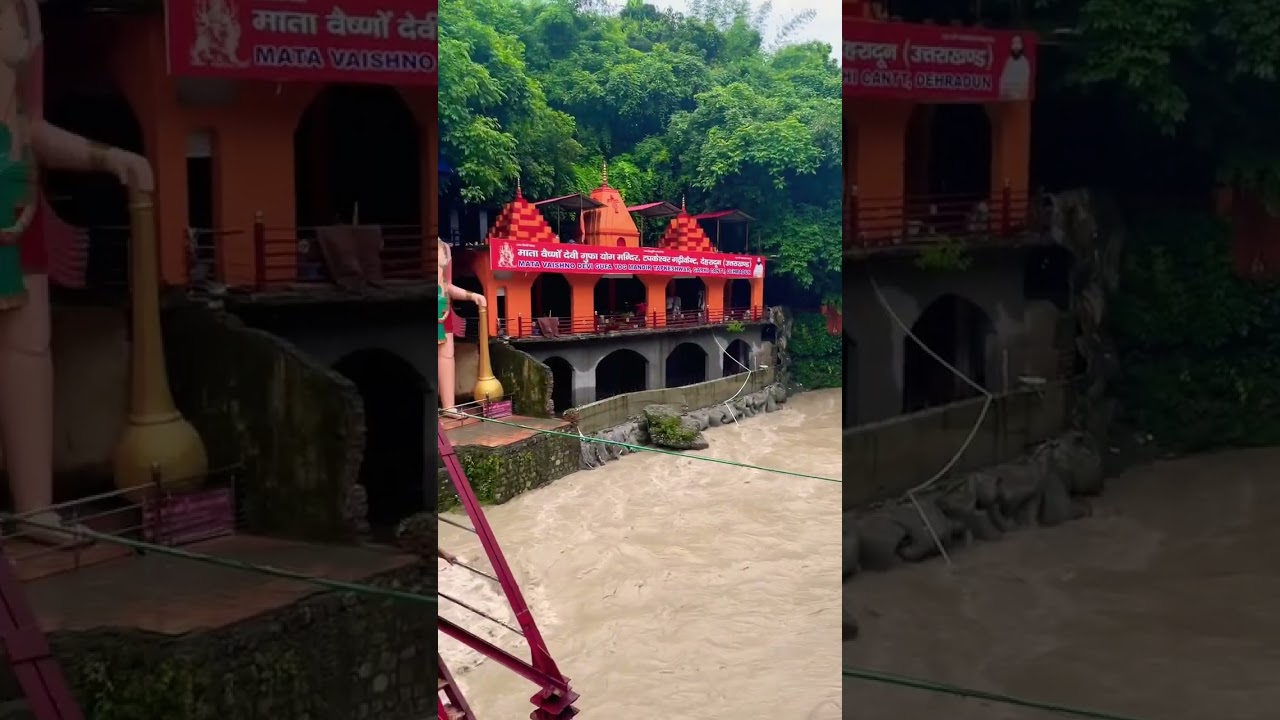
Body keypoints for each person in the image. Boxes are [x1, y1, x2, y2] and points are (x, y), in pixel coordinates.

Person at [0, 0, 152, 545]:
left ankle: (34, 508)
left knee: (29, 350)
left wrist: (108, 157)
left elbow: (31, 124)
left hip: (18, 199)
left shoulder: (26, 10)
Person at [438, 239, 485, 415]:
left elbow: (447, 286)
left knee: (447, 358)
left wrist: (472, 296)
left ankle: (449, 406)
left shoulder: (443, 252)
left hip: (444, 315)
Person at [998, 35, 1031, 101]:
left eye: (1017, 48)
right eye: (1014, 48)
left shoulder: (1024, 63)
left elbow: (1023, 84)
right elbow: (1003, 80)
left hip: (1018, 99)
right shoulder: (1009, 61)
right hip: (1006, 99)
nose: (1016, 50)